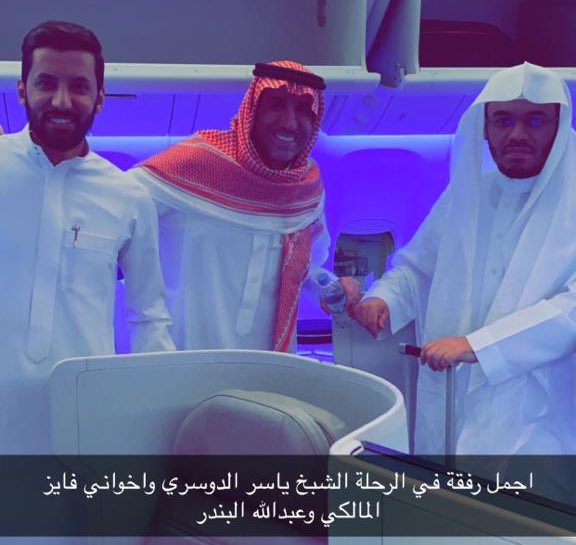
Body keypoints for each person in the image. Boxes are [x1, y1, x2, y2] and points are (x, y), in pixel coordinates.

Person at [350, 62, 576, 455]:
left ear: (558, 128)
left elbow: (571, 310)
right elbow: (418, 270)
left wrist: (479, 347)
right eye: (503, 120)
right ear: (485, 128)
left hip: (537, 413)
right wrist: (383, 298)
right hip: (453, 395)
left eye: (535, 120)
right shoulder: (468, 193)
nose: (517, 134)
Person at [0, 20, 174, 453]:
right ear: (22, 90)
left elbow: (149, 316)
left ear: (99, 97)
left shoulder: (128, 195)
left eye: (79, 86)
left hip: (83, 419)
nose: (62, 100)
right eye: (46, 83)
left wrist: (161, 412)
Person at [131, 61, 328, 352]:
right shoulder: (195, 164)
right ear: (253, 111)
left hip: (268, 365)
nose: (289, 123)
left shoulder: (305, 190)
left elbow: (309, 266)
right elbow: (116, 209)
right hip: (181, 359)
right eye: (276, 105)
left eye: (302, 110)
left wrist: (336, 290)